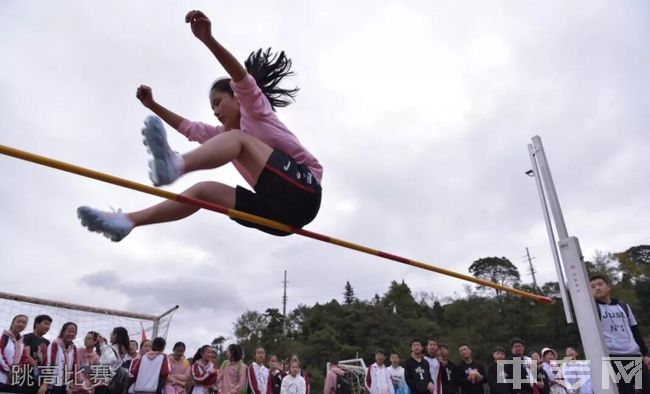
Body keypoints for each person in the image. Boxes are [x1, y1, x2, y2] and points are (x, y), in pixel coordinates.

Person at [77, 9, 323, 241]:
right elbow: (191, 129)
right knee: (204, 190)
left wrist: (208, 39)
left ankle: (176, 165)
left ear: (237, 98)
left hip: (305, 191)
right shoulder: (224, 137)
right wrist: (152, 105)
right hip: (277, 213)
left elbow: (241, 78)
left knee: (238, 139)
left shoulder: (255, 110)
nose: (215, 112)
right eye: (212, 108)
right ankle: (128, 221)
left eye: (218, 103)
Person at [590, 274, 650, 394]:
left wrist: (645, 354)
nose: (597, 288)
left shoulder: (623, 306)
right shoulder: (592, 309)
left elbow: (635, 330)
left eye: (600, 284)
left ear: (609, 287)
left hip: (634, 355)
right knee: (626, 391)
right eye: (592, 287)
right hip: (614, 357)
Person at [39, 322, 78, 394]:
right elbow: (49, 364)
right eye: (69, 331)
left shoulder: (73, 348)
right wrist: (45, 384)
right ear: (63, 332)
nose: (71, 334)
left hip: (64, 386)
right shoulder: (55, 344)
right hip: (52, 385)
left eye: (74, 332)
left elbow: (74, 367)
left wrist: (71, 385)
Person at [21, 314, 52, 394]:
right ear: (36, 324)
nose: (48, 326)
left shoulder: (47, 342)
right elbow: (26, 356)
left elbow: (48, 361)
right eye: (45, 323)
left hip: (41, 379)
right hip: (27, 377)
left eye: (49, 325)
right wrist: (36, 368)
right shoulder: (27, 337)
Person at [95, 327, 130, 394]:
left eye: (112, 333)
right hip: (116, 384)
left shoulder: (112, 349)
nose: (110, 335)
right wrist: (102, 344)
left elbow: (104, 364)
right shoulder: (124, 351)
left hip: (104, 384)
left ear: (115, 335)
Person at [0, 314, 28, 393]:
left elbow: (24, 359)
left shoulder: (21, 342)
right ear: (12, 323)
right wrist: (9, 370)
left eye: (24, 323)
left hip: (14, 380)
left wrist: (17, 371)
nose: (21, 324)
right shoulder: (3, 336)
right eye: (19, 321)